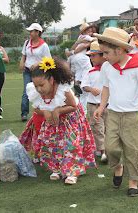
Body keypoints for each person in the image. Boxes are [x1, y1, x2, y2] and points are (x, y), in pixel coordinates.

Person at [93, 27, 138, 197]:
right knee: (111, 148)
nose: (103, 57)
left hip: (131, 117)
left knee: (133, 149)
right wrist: (101, 107)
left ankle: (133, 181)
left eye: (106, 53)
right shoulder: (107, 67)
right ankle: (118, 167)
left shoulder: (136, 66)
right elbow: (105, 88)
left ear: (119, 50)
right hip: (112, 114)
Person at [19, 56, 96, 185]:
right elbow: (36, 109)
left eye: (42, 85)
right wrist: (45, 112)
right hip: (52, 121)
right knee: (51, 142)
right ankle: (57, 168)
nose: (39, 89)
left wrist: (58, 110)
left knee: (71, 143)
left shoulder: (63, 90)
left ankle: (72, 172)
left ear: (52, 80)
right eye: (36, 85)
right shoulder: (36, 91)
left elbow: (73, 106)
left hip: (70, 119)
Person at [81, 41, 107, 162]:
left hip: (109, 106)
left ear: (103, 55)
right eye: (90, 56)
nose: (91, 58)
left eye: (93, 55)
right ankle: (103, 152)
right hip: (93, 105)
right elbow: (84, 86)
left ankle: (104, 149)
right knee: (97, 129)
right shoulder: (90, 71)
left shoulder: (110, 70)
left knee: (108, 128)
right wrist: (91, 89)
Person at [20, 23, 51, 122]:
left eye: (32, 31)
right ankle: (24, 113)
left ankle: (41, 110)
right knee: (26, 91)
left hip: (39, 72)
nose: (30, 33)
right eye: (30, 31)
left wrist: (38, 64)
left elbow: (48, 60)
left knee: (40, 91)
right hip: (27, 71)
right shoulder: (27, 43)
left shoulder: (44, 46)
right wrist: (22, 63)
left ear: (38, 32)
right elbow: (24, 55)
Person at [66, 22, 96, 114]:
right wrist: (96, 37)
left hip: (75, 58)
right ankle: (83, 83)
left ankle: (77, 82)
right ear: (85, 31)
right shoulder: (85, 37)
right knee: (89, 70)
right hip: (82, 57)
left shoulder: (79, 38)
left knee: (80, 72)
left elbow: (73, 48)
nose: (90, 32)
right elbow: (93, 39)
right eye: (89, 31)